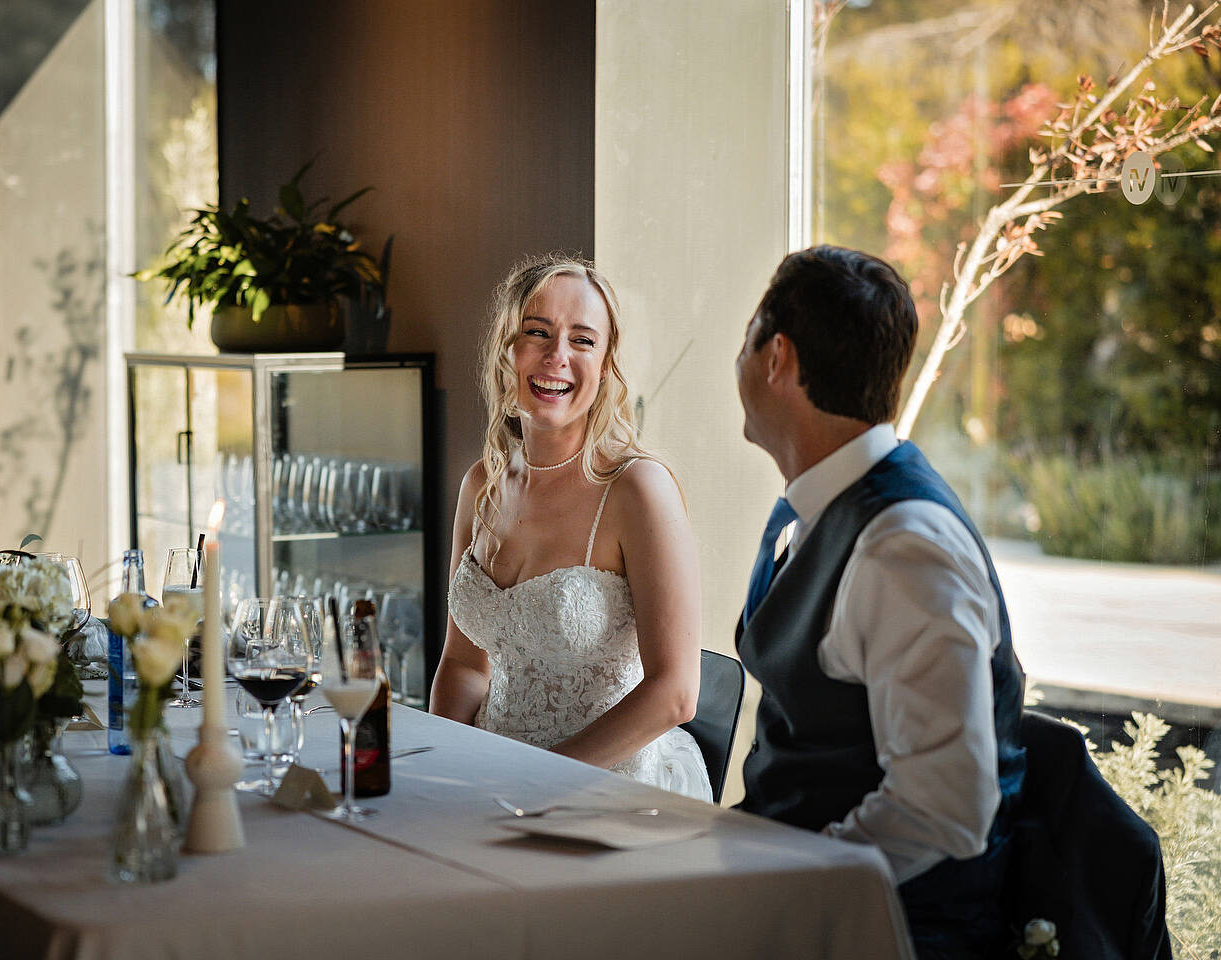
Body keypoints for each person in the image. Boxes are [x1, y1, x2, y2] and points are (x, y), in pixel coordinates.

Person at [732, 245, 1026, 958]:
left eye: (746, 336)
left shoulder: (904, 548)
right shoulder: (820, 508)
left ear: (777, 358)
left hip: (884, 931)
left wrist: (789, 891)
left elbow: (945, 808)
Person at [432, 253, 711, 800]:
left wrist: (542, 783)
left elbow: (676, 693)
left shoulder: (638, 489)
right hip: (491, 784)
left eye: (582, 340)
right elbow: (464, 664)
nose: (557, 356)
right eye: (537, 333)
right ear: (507, 350)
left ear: (606, 365)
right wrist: (447, 772)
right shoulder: (481, 486)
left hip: (607, 791)